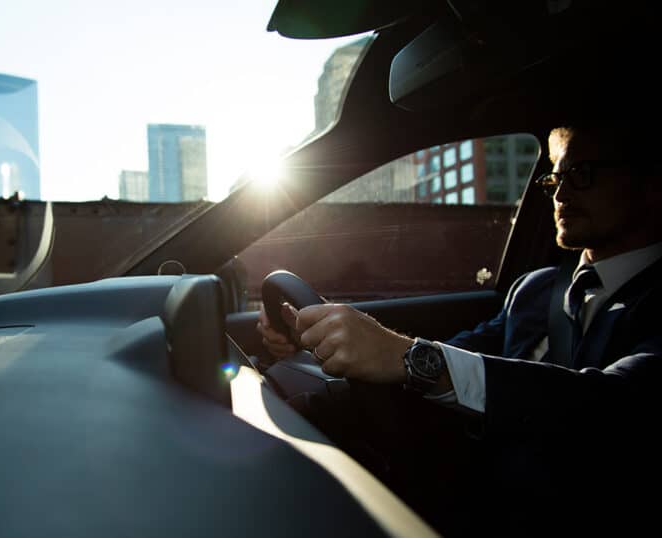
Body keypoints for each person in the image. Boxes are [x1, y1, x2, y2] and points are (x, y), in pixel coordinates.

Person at [256, 121, 662, 537]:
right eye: (555, 177)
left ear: (652, 184)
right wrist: (330, 334)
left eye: (582, 174)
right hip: (480, 495)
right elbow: (457, 355)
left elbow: (612, 406)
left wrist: (409, 358)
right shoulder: (537, 288)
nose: (560, 194)